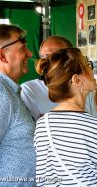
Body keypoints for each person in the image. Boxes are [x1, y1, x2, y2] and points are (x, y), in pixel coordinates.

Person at [34, 48, 97, 186]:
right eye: (88, 65)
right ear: (77, 80)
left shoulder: (42, 124)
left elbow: (44, 178)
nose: (93, 71)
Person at [21, 35, 97, 120]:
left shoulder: (86, 90)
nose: (49, 61)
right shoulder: (28, 90)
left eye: (57, 57)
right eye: (44, 57)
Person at [0, 24, 36, 186]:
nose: (30, 54)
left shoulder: (8, 90)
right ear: (2, 55)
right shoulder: (1, 93)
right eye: (23, 49)